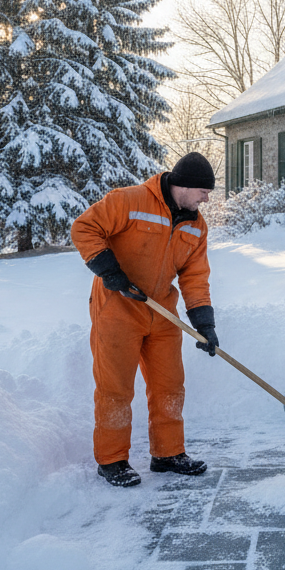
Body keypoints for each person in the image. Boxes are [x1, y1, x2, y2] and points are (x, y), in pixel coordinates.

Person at [70, 152, 220, 488]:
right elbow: (84, 228)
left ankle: (167, 454)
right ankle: (112, 460)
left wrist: (204, 323)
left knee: (169, 385)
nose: (207, 198)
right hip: (118, 306)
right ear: (184, 185)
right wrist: (109, 271)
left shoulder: (196, 225)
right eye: (203, 191)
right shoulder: (130, 200)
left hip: (162, 310)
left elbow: (195, 275)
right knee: (115, 389)